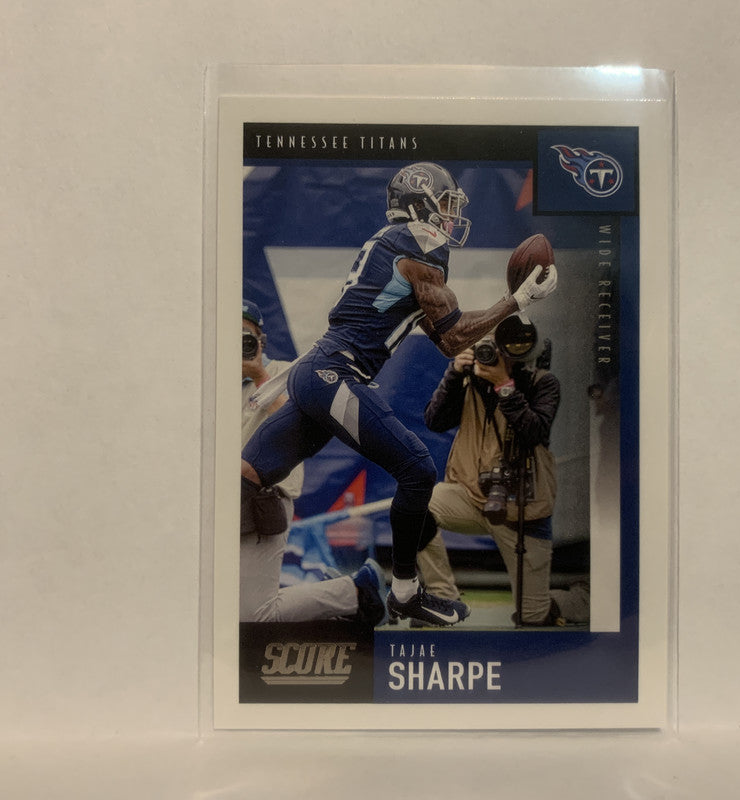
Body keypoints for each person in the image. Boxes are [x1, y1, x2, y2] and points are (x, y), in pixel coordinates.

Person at [241, 163, 558, 627]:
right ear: (419, 203)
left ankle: (355, 590)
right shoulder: (418, 246)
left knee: (249, 474)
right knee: (418, 468)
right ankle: (406, 593)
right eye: (445, 204)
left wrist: (508, 305)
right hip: (334, 372)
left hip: (317, 372)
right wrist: (516, 302)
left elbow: (446, 337)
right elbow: (454, 335)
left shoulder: (400, 245)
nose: (451, 216)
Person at [417, 315, 590, 626]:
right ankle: (443, 598)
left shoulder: (542, 383)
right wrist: (454, 374)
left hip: (523, 508)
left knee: (533, 616)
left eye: (509, 355)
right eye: (495, 350)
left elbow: (534, 432)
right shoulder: (470, 380)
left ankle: (586, 597)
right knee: (413, 506)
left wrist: (504, 386)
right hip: (470, 496)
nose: (499, 359)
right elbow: (434, 421)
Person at [239, 299, 385, 626]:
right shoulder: (209, 382)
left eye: (245, 336)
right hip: (219, 502)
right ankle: (343, 592)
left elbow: (299, 429)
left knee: (252, 613)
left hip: (263, 502)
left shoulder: (284, 373)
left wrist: (259, 375)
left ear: (261, 340)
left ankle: (354, 593)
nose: (238, 344)